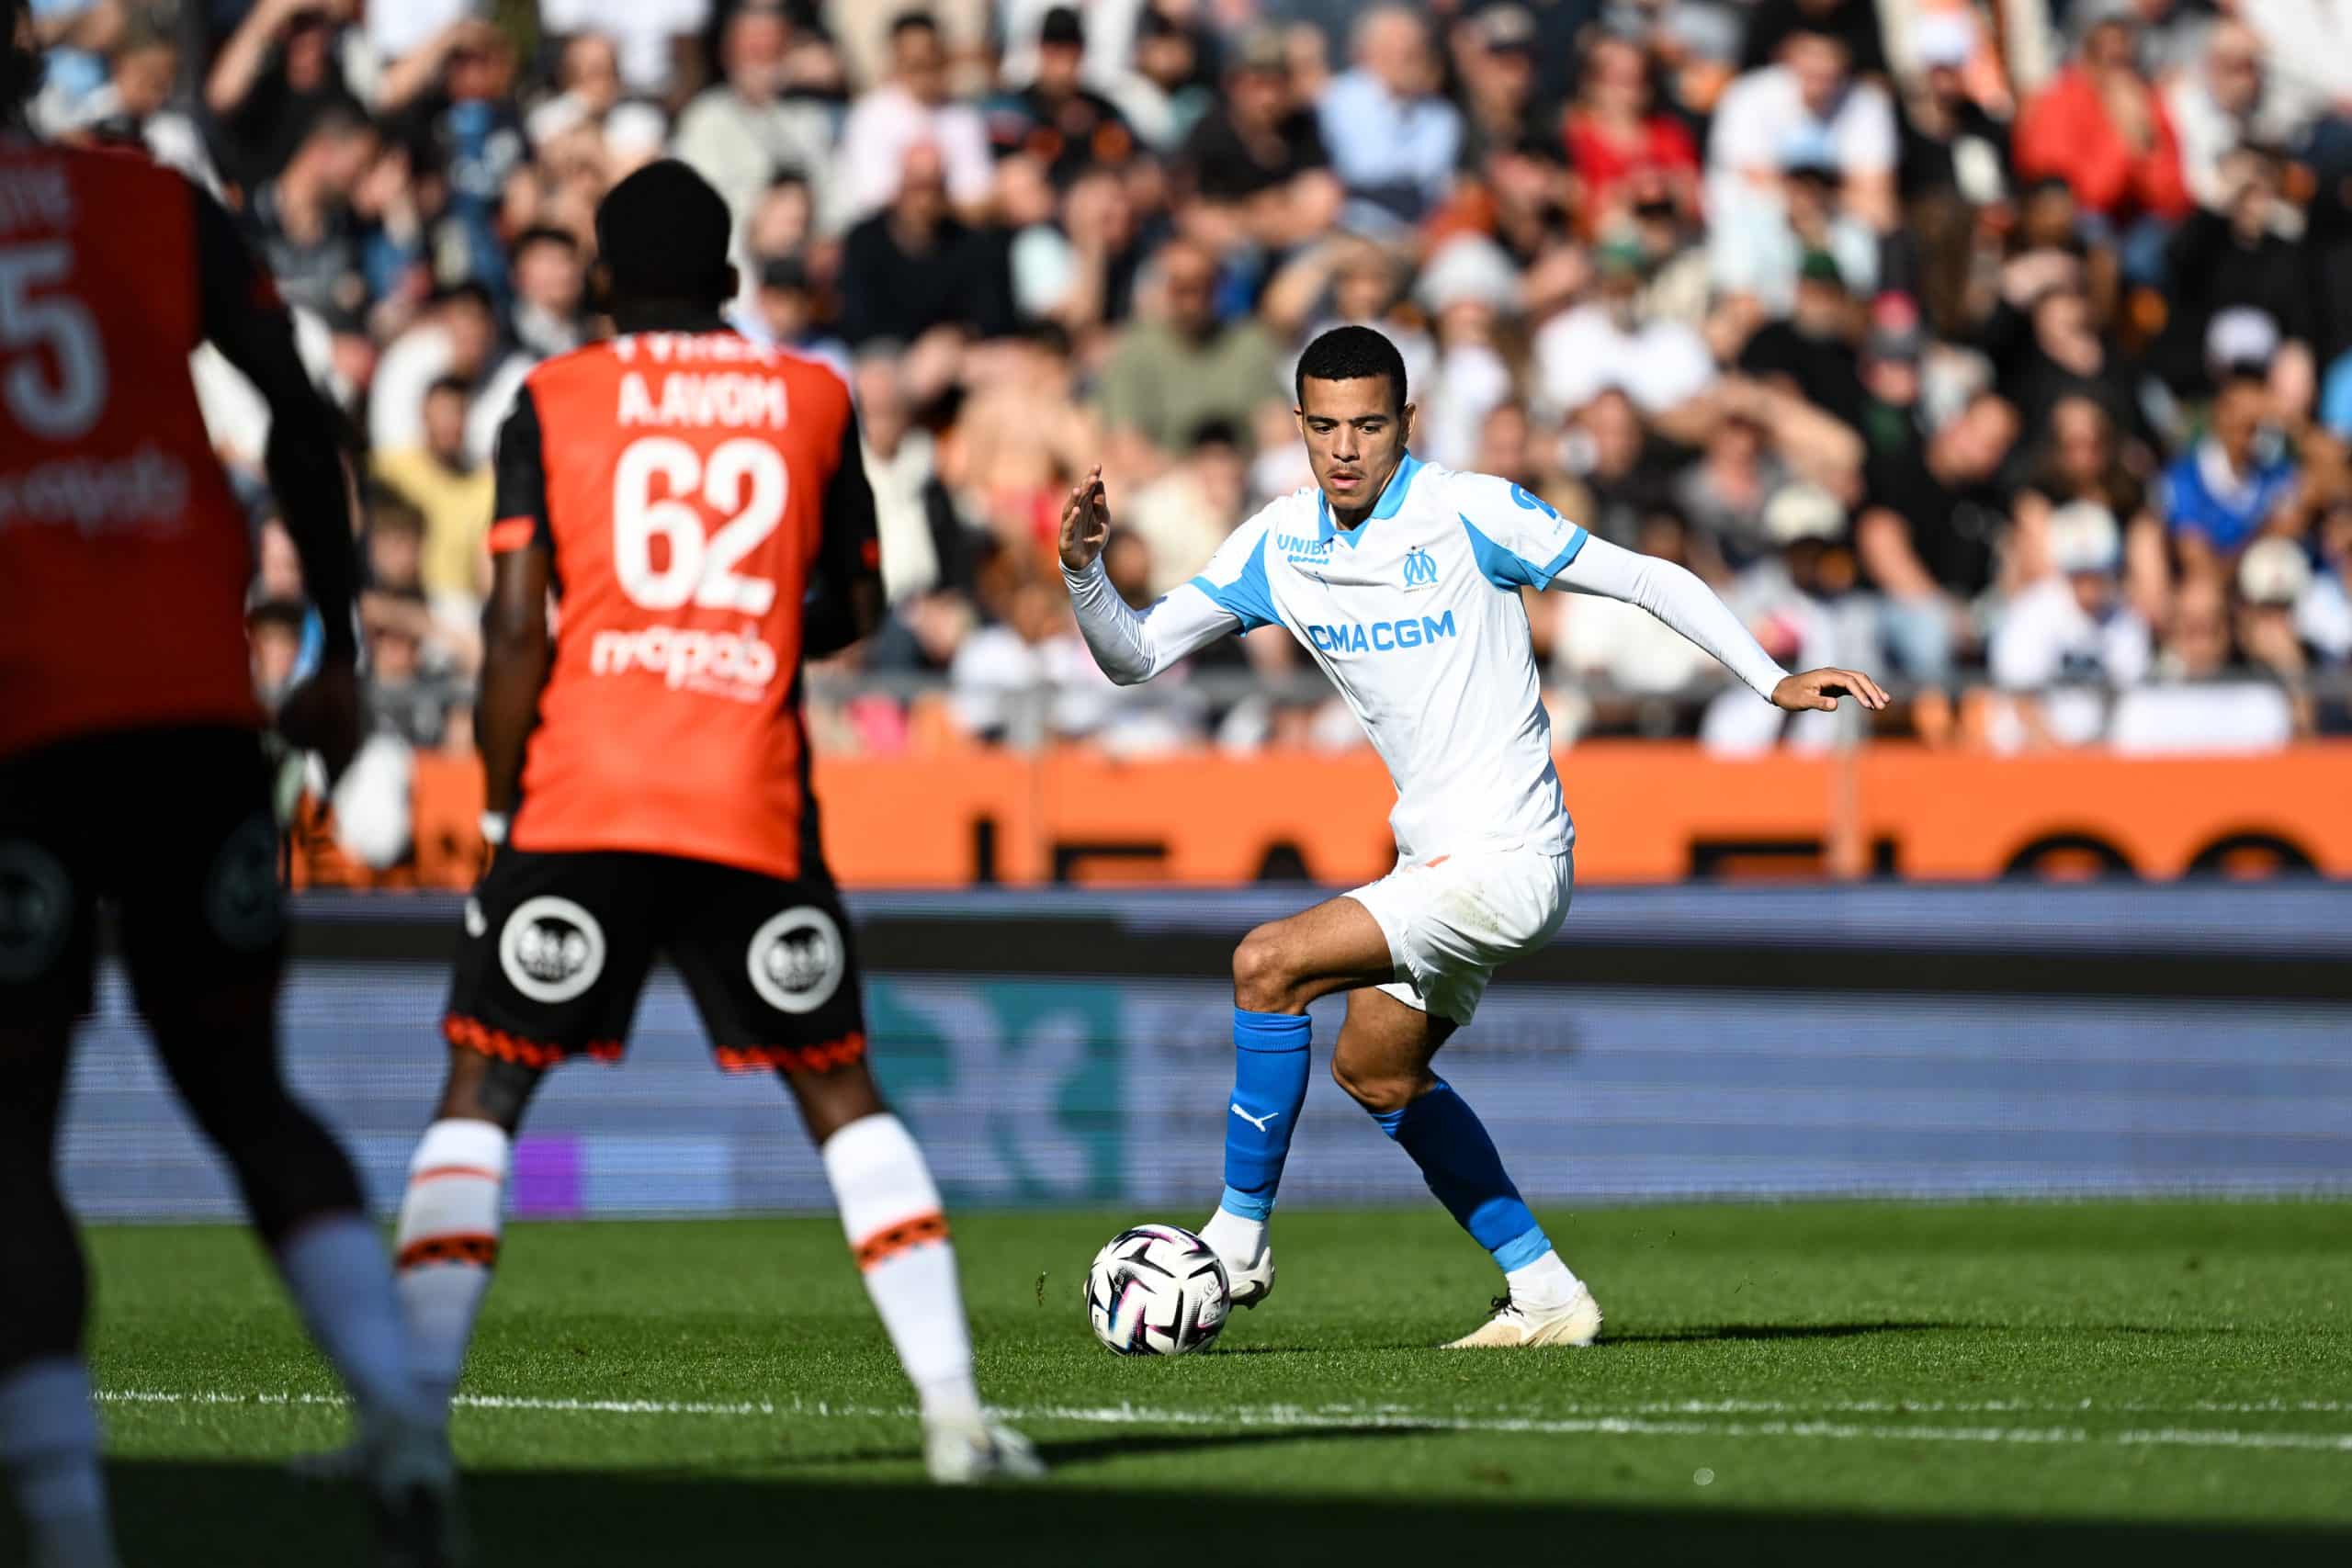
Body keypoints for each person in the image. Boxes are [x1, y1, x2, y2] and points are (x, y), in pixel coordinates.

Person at [379, 160, 1039, 1483]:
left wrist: (504, 807)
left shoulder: (553, 398)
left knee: (486, 1083)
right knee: (843, 1090)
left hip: (583, 791)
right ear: (732, 279)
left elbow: (514, 629)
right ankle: (959, 1414)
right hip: (746, 789)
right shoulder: (809, 397)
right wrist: (731, 638)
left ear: (604, 285)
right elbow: (856, 605)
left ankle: (406, 1437)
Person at [1055, 325, 1885, 1345]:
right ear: (1300, 429)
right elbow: (1134, 657)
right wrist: (1086, 574)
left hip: (1510, 860)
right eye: (1323, 427)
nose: (1345, 449)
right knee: (1376, 1070)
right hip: (1433, 861)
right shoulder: (1280, 543)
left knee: (1266, 965)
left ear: (1406, 423)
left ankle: (1234, 1243)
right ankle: (1543, 1293)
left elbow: (1645, 577)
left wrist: (1770, 679)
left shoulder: (1468, 511)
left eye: (1367, 425)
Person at [0, 4, 454, 1562]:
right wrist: (333, 645)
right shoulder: (152, 198)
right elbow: (305, 423)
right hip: (197, 715)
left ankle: (68, 1531)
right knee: (247, 1093)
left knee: (10, 1139)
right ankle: (402, 1425)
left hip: (23, 738)